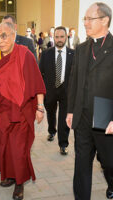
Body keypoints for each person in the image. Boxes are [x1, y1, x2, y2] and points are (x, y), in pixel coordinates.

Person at [0, 22, 46, 200]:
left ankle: (20, 183)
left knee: (19, 148)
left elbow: (37, 82)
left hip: (21, 110)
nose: (0, 39)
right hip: (1, 110)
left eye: (4, 35)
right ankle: (11, 176)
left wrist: (40, 107)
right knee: (4, 145)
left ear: (14, 36)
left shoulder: (24, 54)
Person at [66, 2, 113, 199]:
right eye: (84, 18)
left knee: (109, 162)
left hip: (106, 114)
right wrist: (70, 111)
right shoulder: (82, 48)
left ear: (105, 20)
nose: (84, 22)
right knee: (82, 164)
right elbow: (74, 81)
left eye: (89, 19)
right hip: (82, 115)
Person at [39, 26, 74, 155]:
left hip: (66, 92)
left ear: (66, 37)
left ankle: (63, 144)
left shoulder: (73, 54)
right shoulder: (46, 53)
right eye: (57, 37)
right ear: (54, 37)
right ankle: (51, 131)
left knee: (64, 118)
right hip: (50, 91)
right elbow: (40, 73)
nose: (59, 39)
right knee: (51, 114)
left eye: (62, 37)